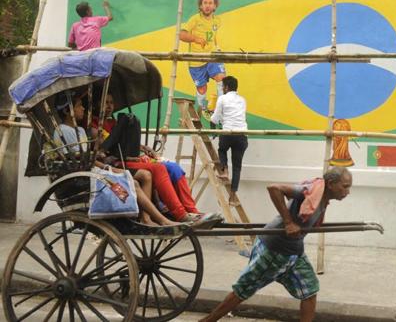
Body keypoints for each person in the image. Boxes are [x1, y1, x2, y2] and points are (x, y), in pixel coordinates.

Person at [198, 166, 353, 322]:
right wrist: (288, 222)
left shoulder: (323, 197)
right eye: (345, 186)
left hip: (294, 251)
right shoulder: (310, 190)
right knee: (244, 288)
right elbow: (274, 188)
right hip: (274, 250)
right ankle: (207, 321)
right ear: (331, 183)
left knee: (310, 290)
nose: (347, 192)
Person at [53, 91, 178, 226]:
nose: (83, 108)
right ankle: (155, 218)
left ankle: (148, 217)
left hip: (94, 171)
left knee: (143, 176)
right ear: (67, 111)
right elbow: (81, 157)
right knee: (133, 183)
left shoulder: (81, 131)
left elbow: (88, 155)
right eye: (79, 106)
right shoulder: (63, 130)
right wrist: (108, 167)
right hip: (83, 177)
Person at [90, 93, 212, 224]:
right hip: (115, 162)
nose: (109, 106)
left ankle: (192, 210)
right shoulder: (95, 125)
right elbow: (105, 148)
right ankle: (179, 213)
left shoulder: (114, 122)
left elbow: (124, 142)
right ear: (98, 105)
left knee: (174, 168)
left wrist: (142, 147)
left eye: (111, 103)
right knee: (158, 168)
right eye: (105, 103)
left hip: (128, 158)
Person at [179, 0, 226, 121]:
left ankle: (221, 109)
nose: (207, 5)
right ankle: (202, 108)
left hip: (211, 57)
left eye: (210, 3)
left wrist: (217, 47)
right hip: (196, 62)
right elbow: (181, 35)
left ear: (215, 6)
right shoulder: (195, 19)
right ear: (200, 5)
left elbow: (213, 37)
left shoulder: (217, 21)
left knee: (221, 78)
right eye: (205, 3)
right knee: (201, 88)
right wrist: (195, 39)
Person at [210, 76, 247, 204]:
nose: (222, 89)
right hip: (242, 135)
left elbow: (214, 119)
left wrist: (213, 131)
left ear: (226, 87)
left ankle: (225, 171)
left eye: (222, 87)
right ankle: (232, 197)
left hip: (228, 133)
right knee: (237, 166)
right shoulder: (242, 100)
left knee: (222, 150)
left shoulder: (222, 98)